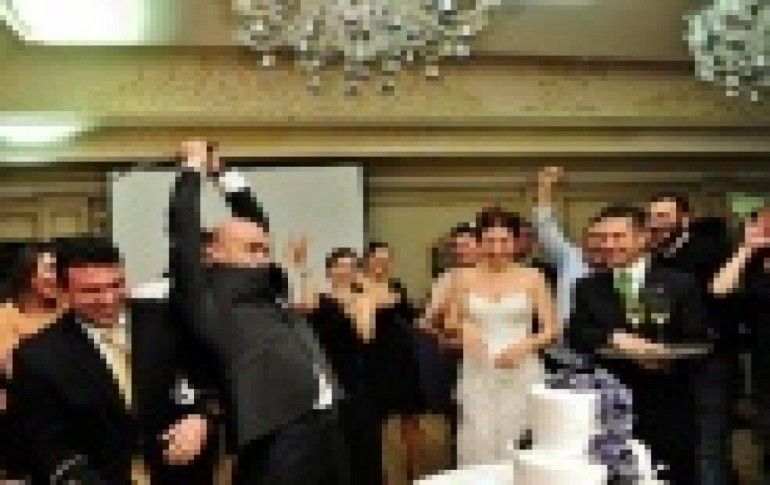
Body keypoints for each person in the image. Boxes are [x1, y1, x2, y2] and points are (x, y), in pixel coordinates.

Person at [168, 139, 349, 485]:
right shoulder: (203, 295)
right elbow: (184, 229)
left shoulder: (267, 284)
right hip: (277, 429)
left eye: (265, 250)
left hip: (326, 420)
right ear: (211, 253)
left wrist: (221, 173)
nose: (263, 257)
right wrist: (191, 168)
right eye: (252, 250)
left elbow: (255, 222)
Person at [8, 236, 213, 484]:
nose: (108, 299)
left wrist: (201, 418)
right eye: (91, 291)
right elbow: (45, 446)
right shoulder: (37, 358)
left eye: (116, 285)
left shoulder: (168, 321)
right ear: (63, 292)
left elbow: (208, 384)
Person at [568, 205, 709, 484]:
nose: (608, 245)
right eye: (602, 237)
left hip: (668, 402)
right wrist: (613, 337)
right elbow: (576, 334)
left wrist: (663, 356)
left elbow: (699, 338)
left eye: (618, 236)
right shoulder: (588, 287)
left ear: (643, 237)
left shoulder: (680, 283)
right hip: (610, 406)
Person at [441, 206, 558, 465]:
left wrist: (525, 345)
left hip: (520, 366)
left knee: (519, 437)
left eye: (504, 241)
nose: (497, 249)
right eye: (489, 241)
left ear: (516, 241)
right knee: (478, 437)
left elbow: (551, 329)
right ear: (479, 242)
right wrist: (464, 328)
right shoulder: (463, 277)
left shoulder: (533, 277)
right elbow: (449, 321)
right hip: (478, 368)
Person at [646, 193, 735, 485]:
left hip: (710, 360)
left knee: (709, 445)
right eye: (652, 217)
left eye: (663, 216)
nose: (656, 224)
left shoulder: (711, 251)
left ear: (685, 220)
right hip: (670, 362)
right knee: (677, 439)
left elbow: (721, 300)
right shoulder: (653, 258)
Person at [711, 209, 770, 482]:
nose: (764, 228)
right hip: (764, 363)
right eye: (760, 223)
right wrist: (746, 249)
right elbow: (720, 289)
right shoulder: (752, 263)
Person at [0, 241, 61, 479]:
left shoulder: (70, 313)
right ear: (28, 274)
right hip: (22, 421)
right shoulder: (6, 316)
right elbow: (11, 367)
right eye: (50, 268)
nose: (57, 276)